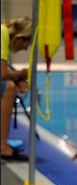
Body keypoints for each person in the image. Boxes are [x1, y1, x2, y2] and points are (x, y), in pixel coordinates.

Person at [1, 16, 31, 161]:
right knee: (8, 87)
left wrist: (18, 77)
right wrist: (22, 74)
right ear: (19, 38)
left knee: (8, 83)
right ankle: (2, 147)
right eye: (27, 44)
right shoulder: (2, 33)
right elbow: (2, 73)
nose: (26, 48)